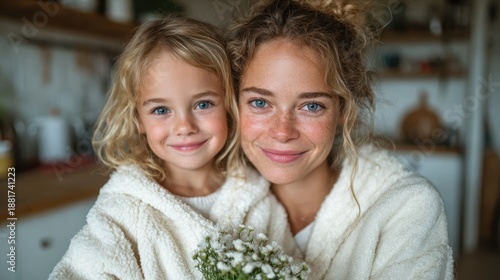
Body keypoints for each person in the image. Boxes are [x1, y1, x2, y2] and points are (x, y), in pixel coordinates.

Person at [49, 15, 298, 279]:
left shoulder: (256, 196)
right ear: (138, 119)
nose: (184, 126)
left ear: (228, 105)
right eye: (161, 110)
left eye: (203, 104)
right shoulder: (121, 211)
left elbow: (289, 268)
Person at [227, 0, 454, 279]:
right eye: (260, 102)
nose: (283, 131)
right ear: (233, 103)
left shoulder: (407, 207)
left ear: (343, 110)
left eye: (312, 106)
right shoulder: (214, 201)